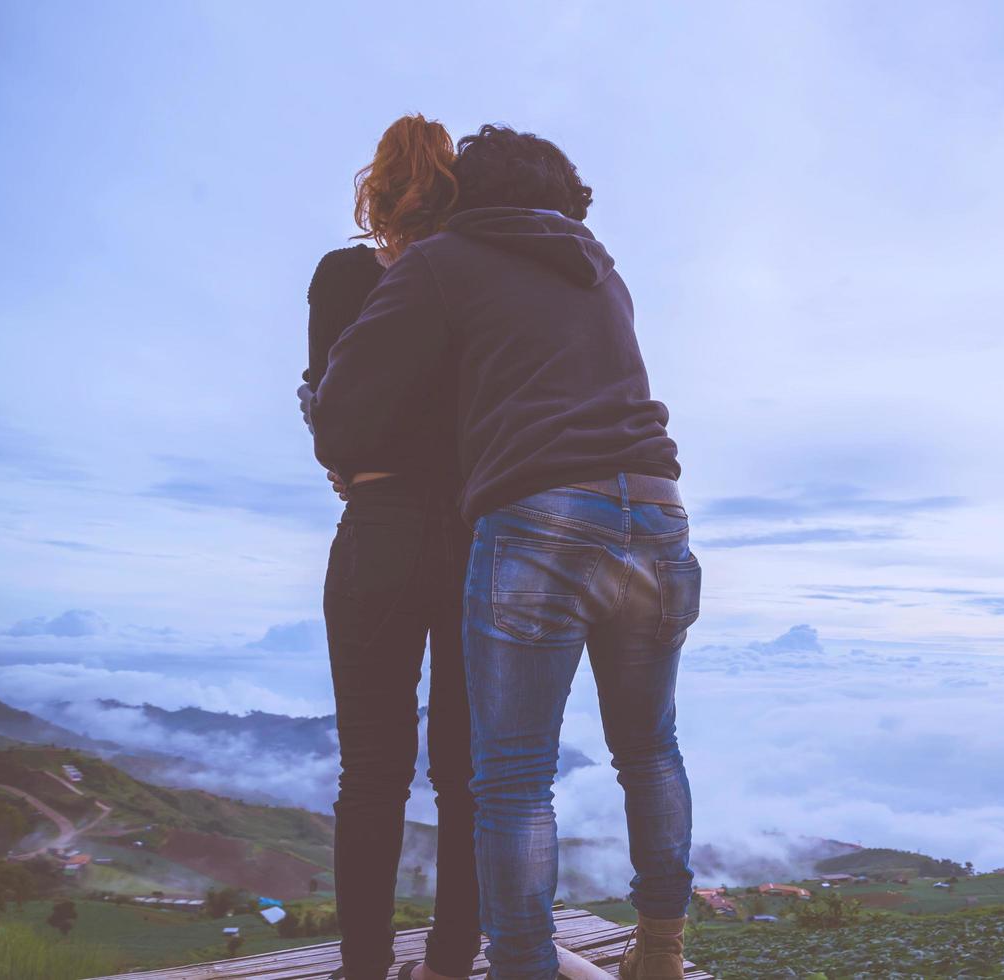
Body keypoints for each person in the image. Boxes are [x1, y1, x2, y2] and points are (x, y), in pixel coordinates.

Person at [312, 124, 699, 980]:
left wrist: (340, 437)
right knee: (650, 751)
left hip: (523, 519)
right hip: (658, 510)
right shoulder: (600, 270)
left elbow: (341, 412)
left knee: (502, 779)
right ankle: (657, 951)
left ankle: (502, 965)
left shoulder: (440, 264)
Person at [300, 113, 478, 980]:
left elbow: (326, 403)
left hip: (379, 528)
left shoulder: (340, 276)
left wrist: (350, 466)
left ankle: (363, 968)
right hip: (478, 536)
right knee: (465, 776)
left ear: (372, 194)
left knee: (371, 772)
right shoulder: (478, 280)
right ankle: (451, 963)